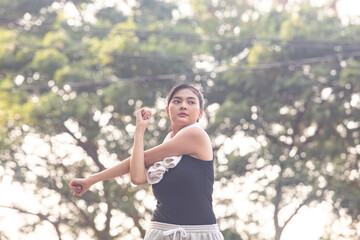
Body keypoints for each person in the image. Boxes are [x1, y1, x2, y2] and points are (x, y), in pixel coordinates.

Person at [69, 83, 224, 240]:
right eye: (177, 101)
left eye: (191, 102)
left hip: (198, 234)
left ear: (200, 113)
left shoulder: (196, 135)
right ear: (167, 111)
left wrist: (91, 179)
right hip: (160, 232)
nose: (183, 106)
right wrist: (140, 130)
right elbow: (137, 177)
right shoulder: (168, 146)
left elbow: (144, 159)